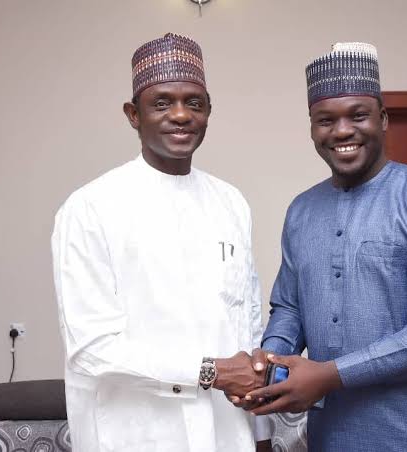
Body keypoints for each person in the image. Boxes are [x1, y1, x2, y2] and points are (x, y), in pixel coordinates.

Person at [245, 42, 407, 451]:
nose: (341, 131)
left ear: (383, 119)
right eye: (325, 120)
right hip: (334, 432)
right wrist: (268, 366)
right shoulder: (302, 210)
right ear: (312, 128)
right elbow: (290, 308)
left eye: (358, 115)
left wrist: (329, 375)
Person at [51, 33, 270, 452]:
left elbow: (247, 324)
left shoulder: (230, 202)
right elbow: (92, 349)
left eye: (194, 103)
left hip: (227, 434)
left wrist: (261, 434)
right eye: (162, 103)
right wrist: (210, 372)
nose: (181, 115)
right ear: (133, 114)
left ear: (208, 111)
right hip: (135, 435)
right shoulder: (90, 207)